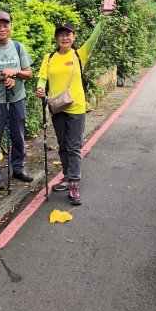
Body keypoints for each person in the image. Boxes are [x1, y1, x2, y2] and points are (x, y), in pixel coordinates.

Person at [36, 16, 110, 205]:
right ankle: (67, 176)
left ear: (73, 37)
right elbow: (42, 78)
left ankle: (74, 182)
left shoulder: (79, 55)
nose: (64, 38)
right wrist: (40, 87)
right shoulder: (49, 58)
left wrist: (103, 18)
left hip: (76, 107)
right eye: (61, 35)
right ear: (56, 39)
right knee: (62, 145)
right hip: (57, 107)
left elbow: (94, 37)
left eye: (68, 34)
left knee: (74, 146)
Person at [0, 11, 34, 190]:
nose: (2, 29)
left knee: (18, 135)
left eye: (5, 25)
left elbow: (29, 74)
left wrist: (15, 73)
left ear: (10, 26)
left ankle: (18, 168)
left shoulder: (18, 47)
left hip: (17, 98)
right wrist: (3, 75)